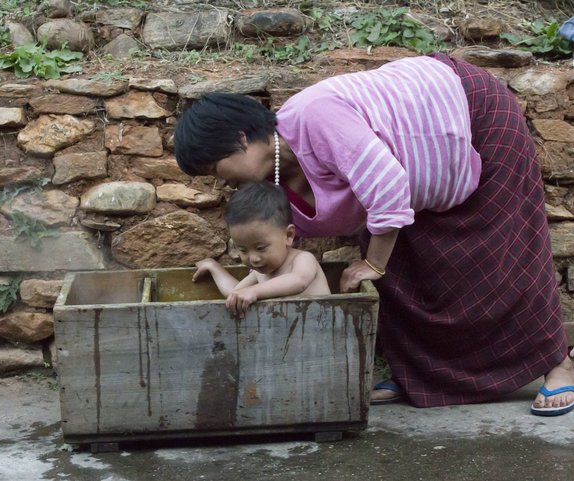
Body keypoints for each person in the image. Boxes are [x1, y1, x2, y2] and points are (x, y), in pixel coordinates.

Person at [174, 53, 574, 416]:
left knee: (505, 249)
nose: (219, 183)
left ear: (241, 140)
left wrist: (373, 263)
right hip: (419, 183)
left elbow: (386, 187)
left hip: (470, 116)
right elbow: (278, 261)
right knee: (402, 269)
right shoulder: (272, 186)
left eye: (214, 169)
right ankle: (420, 376)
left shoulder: (317, 116)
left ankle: (558, 363)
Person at [193, 181, 331, 318]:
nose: (253, 258)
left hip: (325, 333)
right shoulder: (259, 273)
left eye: (260, 248)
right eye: (243, 250)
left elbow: (299, 281)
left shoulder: (303, 259)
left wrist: (254, 291)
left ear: (288, 235)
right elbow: (235, 293)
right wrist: (214, 267)